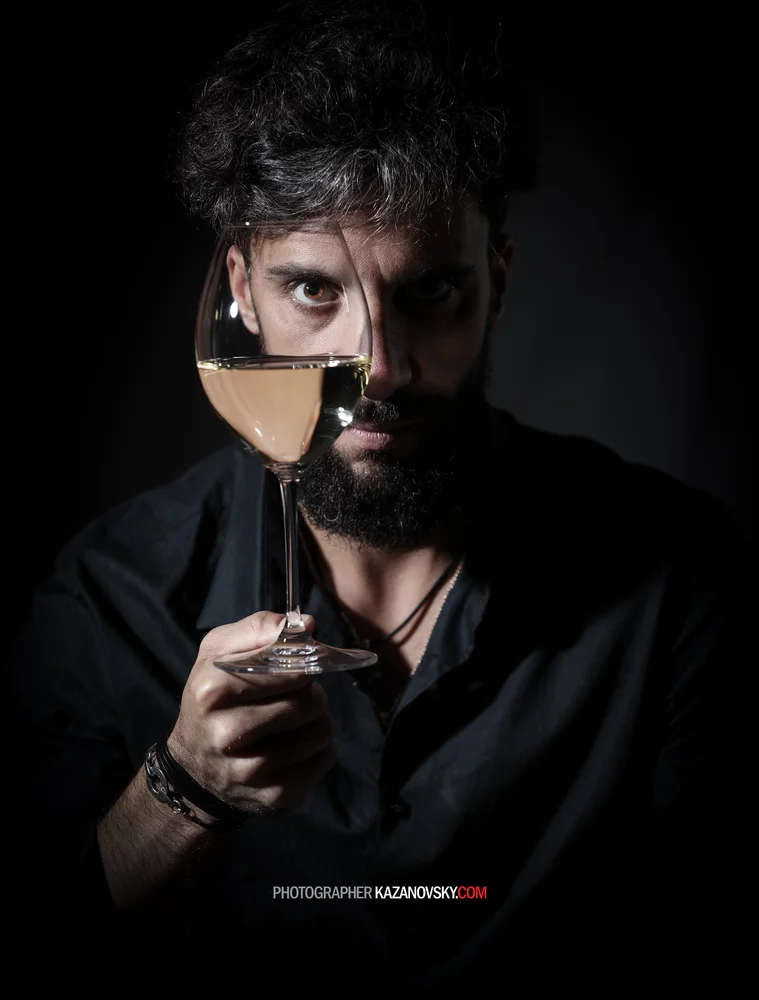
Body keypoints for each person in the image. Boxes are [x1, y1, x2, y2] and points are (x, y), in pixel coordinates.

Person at [3, 0, 753, 991]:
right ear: (245, 287)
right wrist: (183, 789)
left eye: (429, 291)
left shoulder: (679, 590)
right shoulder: (111, 600)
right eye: (316, 290)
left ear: (498, 279)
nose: (379, 368)